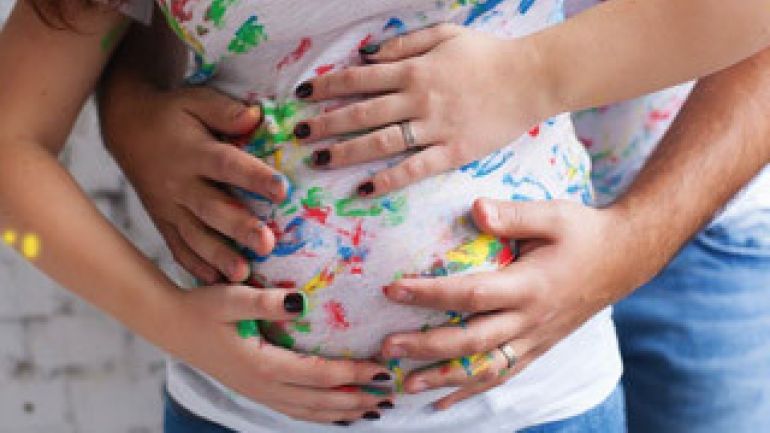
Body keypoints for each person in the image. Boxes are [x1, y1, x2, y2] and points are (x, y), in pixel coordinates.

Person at [2, 1, 769, 432]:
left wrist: (532, 76)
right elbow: (11, 142)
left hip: (536, 401)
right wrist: (169, 320)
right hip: (237, 413)